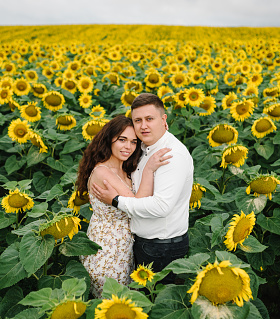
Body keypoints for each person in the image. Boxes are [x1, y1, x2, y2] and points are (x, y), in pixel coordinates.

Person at [91, 93, 194, 284]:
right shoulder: (144, 148)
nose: (143, 126)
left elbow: (161, 206)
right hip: (136, 245)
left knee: (158, 302)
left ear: (164, 120)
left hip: (162, 247)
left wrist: (116, 200)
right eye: (137, 120)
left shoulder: (171, 155)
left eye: (149, 119)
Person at [77, 115, 171, 298]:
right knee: (110, 304)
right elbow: (137, 205)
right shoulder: (103, 171)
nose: (128, 147)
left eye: (133, 142)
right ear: (109, 139)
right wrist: (150, 169)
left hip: (123, 248)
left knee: (124, 303)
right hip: (106, 250)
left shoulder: (126, 169)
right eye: (122, 140)